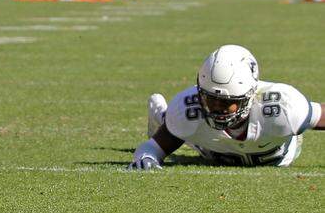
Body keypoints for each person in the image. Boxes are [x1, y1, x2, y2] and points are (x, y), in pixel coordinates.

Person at [130, 45, 324, 170]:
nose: (216, 108)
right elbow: (152, 148)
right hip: (212, 149)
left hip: (280, 156)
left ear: (248, 97)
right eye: (210, 99)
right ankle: (162, 116)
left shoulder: (284, 107)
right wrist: (147, 157)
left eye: (226, 102)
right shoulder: (189, 110)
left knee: (186, 126)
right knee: (179, 126)